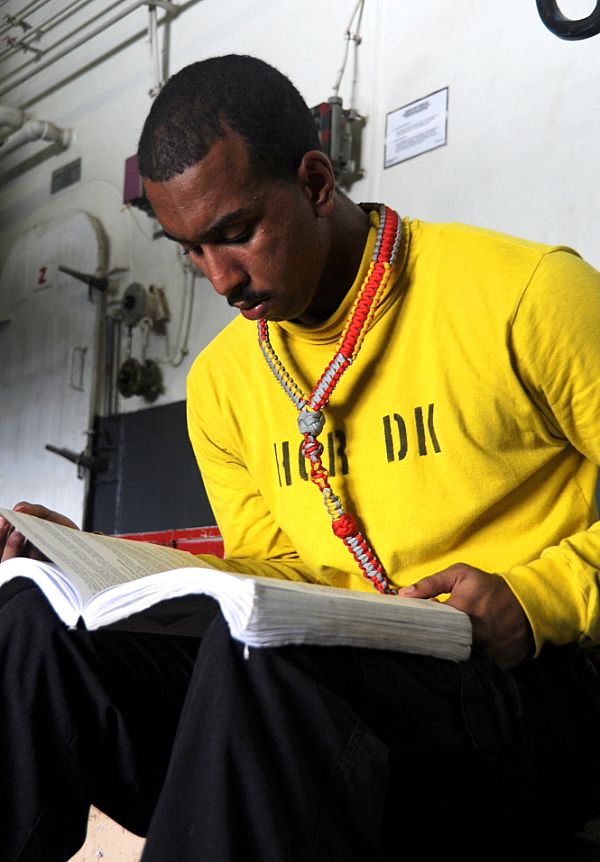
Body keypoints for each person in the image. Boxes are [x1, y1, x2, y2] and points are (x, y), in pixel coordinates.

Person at [2, 54, 600, 861]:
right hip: (346, 681)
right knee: (36, 624)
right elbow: (273, 574)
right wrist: (87, 563)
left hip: (527, 687)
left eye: (235, 233)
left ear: (317, 182)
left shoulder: (529, 294)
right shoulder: (223, 383)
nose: (219, 280)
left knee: (270, 665)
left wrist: (536, 598)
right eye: (189, 250)